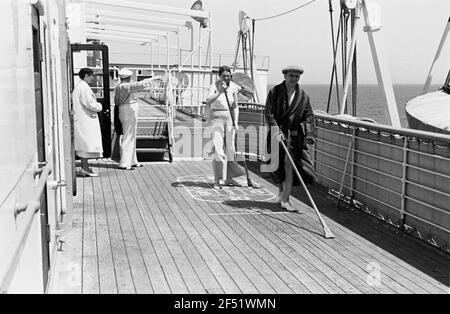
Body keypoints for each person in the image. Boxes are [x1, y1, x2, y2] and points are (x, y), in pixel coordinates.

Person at [265, 65, 317, 212]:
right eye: (291, 75)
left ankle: (286, 200)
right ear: (285, 76)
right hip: (277, 135)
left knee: (289, 165)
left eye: (297, 76)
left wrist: (309, 135)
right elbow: (268, 113)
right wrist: (276, 130)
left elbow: (309, 115)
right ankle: (281, 194)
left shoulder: (303, 96)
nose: (294, 78)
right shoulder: (274, 92)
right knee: (278, 165)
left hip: (293, 136)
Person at [205, 66, 245, 189]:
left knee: (230, 150)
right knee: (218, 150)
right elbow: (208, 101)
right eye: (224, 76)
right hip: (215, 119)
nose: (226, 78)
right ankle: (217, 180)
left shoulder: (233, 87)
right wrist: (220, 91)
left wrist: (236, 122)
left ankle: (228, 178)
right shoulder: (214, 86)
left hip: (229, 119)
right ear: (219, 76)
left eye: (228, 76)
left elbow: (235, 106)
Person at [114, 68, 155, 170]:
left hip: (127, 110)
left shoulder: (120, 86)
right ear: (128, 77)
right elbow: (138, 86)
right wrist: (152, 79)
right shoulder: (124, 86)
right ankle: (124, 163)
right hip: (127, 110)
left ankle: (132, 160)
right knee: (128, 136)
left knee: (131, 136)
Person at [73, 68, 103, 177]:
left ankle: (85, 167)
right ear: (86, 75)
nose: (93, 78)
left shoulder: (80, 86)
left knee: (84, 145)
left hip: (83, 120)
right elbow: (90, 104)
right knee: (85, 145)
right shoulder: (84, 87)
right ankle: (84, 168)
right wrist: (99, 106)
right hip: (85, 121)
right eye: (91, 76)